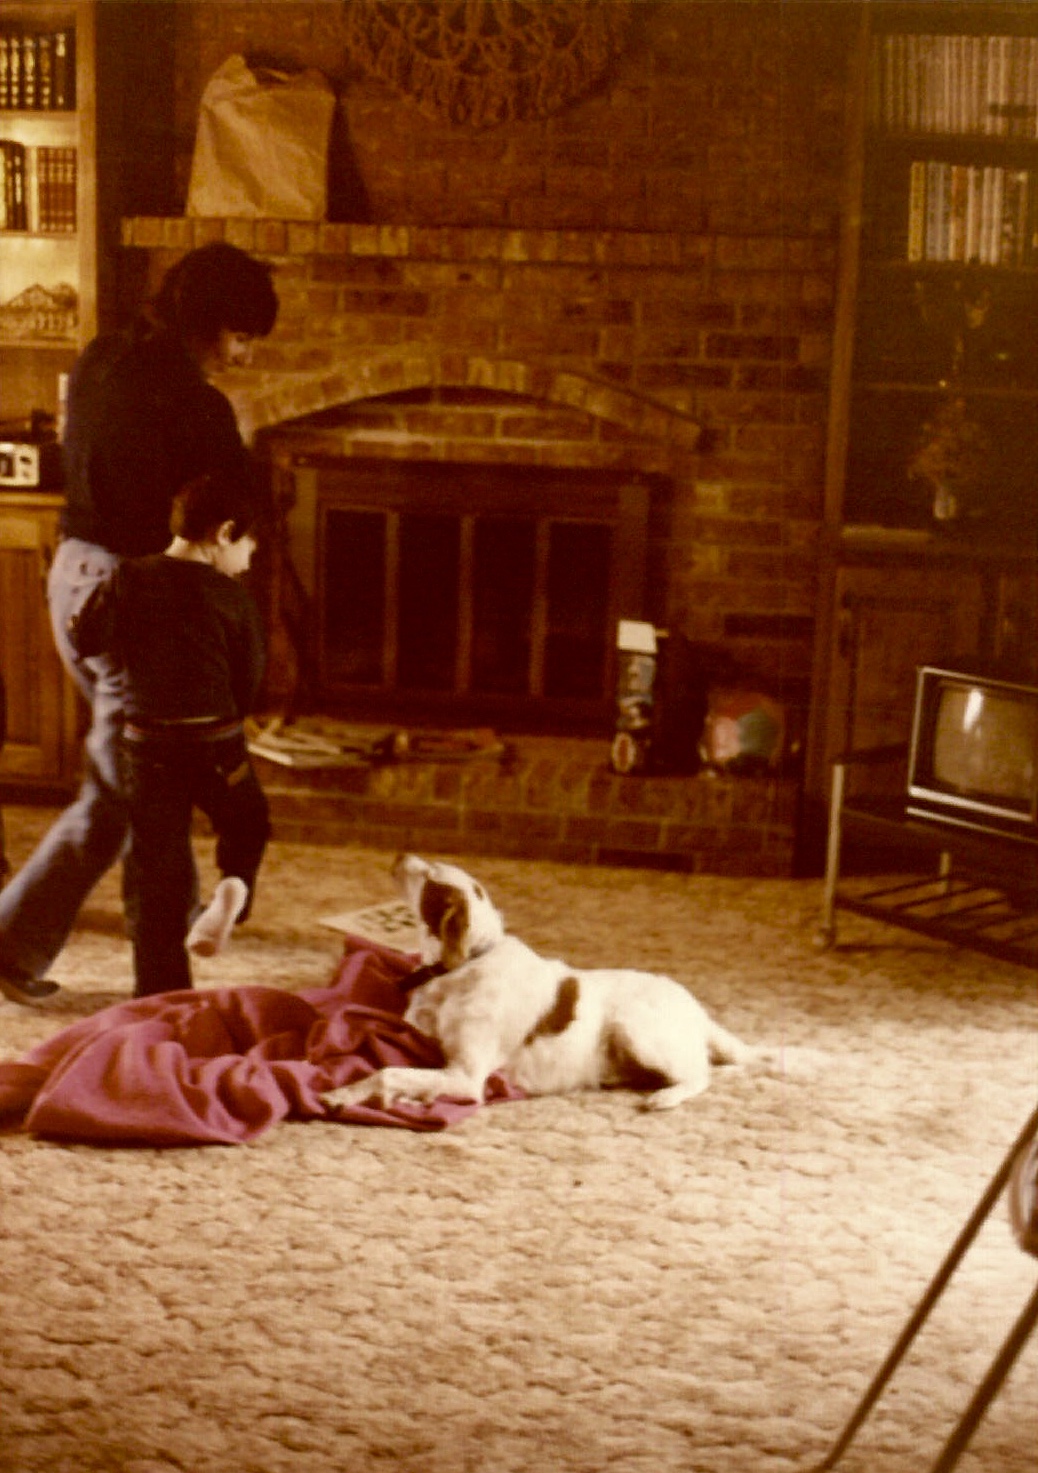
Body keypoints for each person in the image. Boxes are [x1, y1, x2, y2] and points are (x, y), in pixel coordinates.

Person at [0, 242, 278, 1006]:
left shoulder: (100, 356)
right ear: (210, 323)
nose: (244, 355)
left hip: (72, 575)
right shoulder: (200, 406)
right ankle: (16, 943)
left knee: (146, 772)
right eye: (242, 337)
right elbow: (229, 517)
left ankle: (172, 933)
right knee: (121, 794)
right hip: (136, 599)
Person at [69, 472, 270, 997]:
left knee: (156, 870)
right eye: (249, 543)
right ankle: (233, 888)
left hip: (148, 745)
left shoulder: (128, 578)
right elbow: (248, 681)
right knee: (248, 822)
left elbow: (85, 638)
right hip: (215, 743)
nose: (250, 557)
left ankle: (160, 996)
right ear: (224, 533)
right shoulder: (232, 597)